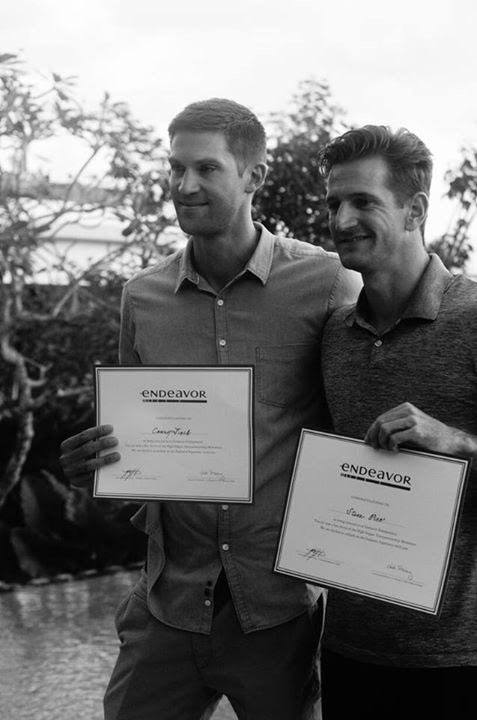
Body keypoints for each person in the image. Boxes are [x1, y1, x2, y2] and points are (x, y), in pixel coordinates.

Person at [60, 98, 360, 720]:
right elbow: (136, 446)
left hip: (277, 610)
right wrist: (102, 466)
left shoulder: (329, 284)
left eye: (206, 168)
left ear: (254, 176)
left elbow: (353, 427)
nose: (184, 185)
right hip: (167, 604)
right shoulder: (142, 297)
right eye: (176, 168)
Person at [318, 125, 477, 720]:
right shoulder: (334, 335)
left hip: (460, 659)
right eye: (334, 203)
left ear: (415, 210)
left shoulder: (474, 319)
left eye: (364, 202)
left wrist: (456, 441)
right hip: (350, 650)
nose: (342, 220)